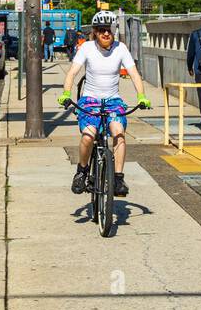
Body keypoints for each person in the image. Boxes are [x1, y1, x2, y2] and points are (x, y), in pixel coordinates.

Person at [58, 12, 151, 198]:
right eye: (101, 30)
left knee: (119, 133)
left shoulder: (121, 48)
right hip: (90, 100)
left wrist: (142, 96)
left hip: (113, 101)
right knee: (88, 136)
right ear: (94, 32)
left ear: (114, 31)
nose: (106, 34)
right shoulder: (86, 48)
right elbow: (72, 72)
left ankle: (118, 178)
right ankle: (82, 172)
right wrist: (66, 94)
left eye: (109, 30)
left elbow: (134, 74)